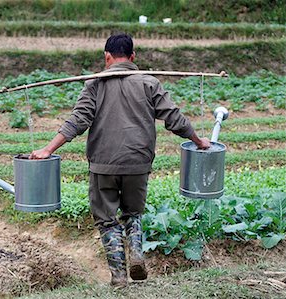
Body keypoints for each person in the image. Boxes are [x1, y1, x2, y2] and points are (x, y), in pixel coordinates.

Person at [29, 33, 210, 287]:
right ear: (133, 57)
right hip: (138, 162)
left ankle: (118, 276)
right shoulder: (149, 83)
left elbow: (78, 121)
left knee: (106, 218)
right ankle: (136, 253)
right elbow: (174, 117)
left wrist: (48, 149)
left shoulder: (94, 84)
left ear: (107, 57)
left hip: (104, 164)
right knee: (133, 213)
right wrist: (199, 140)